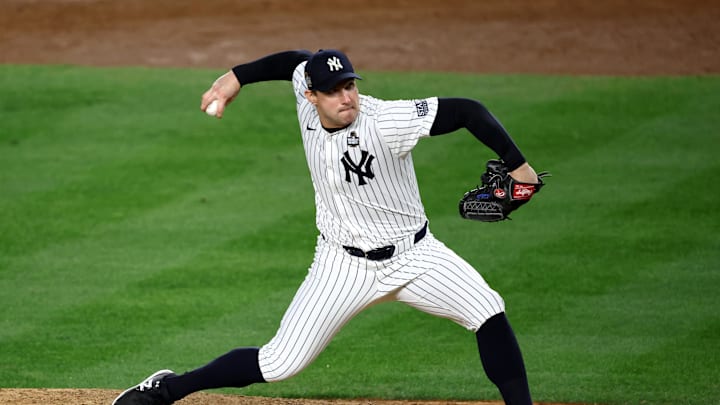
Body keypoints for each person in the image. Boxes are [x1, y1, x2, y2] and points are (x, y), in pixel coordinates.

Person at [112, 49, 541, 405]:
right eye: (333, 90)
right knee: (280, 364)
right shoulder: (305, 100)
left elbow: (469, 111)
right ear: (311, 95)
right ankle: (166, 389)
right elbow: (295, 60)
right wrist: (236, 77)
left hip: (416, 256)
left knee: (487, 310)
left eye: (350, 85)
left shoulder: (387, 121)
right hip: (342, 265)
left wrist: (518, 168)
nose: (346, 97)